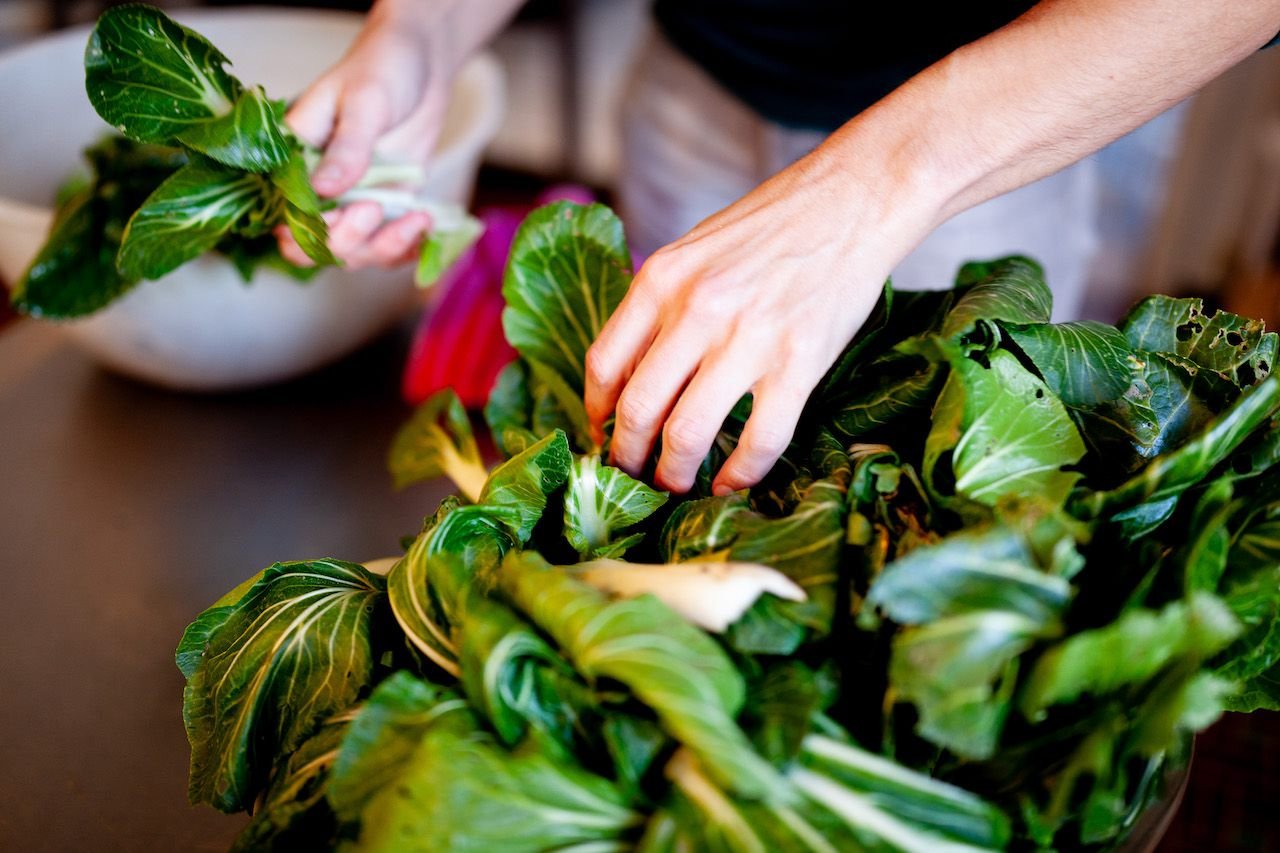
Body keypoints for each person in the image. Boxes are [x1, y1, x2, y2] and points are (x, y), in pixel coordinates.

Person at [278, 0, 1280, 497]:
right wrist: (424, 29)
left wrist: (875, 187)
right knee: (671, 451)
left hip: (981, 140)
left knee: (936, 512)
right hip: (695, 77)